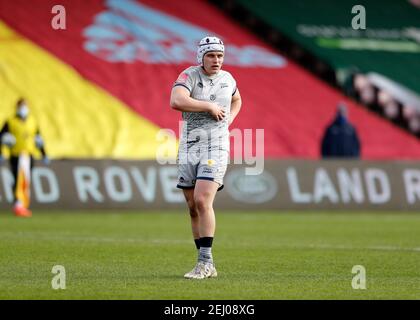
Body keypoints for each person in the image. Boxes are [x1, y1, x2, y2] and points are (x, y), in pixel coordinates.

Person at [170, 36, 242, 279]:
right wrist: (208, 107)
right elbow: (176, 101)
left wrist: (230, 119)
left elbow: (237, 99)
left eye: (220, 55)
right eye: (211, 55)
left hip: (216, 146)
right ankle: (203, 262)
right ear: (200, 57)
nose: (216, 60)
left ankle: (206, 262)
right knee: (192, 208)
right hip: (189, 146)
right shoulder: (188, 76)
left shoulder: (228, 79)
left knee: (202, 201)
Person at [0, 98, 49, 217]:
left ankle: (22, 205)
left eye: (25, 106)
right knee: (18, 179)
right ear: (17, 107)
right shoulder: (10, 121)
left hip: (29, 155)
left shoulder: (32, 121)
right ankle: (18, 205)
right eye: (22, 106)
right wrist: (2, 152)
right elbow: (1, 137)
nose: (24, 108)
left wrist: (44, 154)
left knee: (25, 180)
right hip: (16, 155)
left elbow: (38, 139)